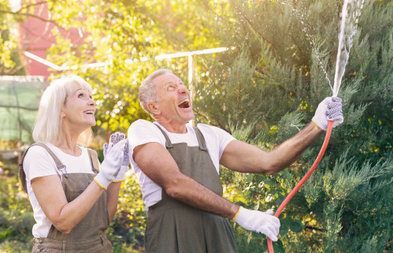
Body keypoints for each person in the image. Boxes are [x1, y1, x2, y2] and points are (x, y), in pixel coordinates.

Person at [128, 69, 344, 252]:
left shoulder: (210, 136)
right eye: (171, 88)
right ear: (154, 107)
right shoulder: (143, 130)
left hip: (217, 240)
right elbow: (174, 184)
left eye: (182, 84)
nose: (183, 90)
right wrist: (240, 214)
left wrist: (317, 124)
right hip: (173, 240)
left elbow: (269, 162)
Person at [19, 76, 129, 252]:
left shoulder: (90, 156)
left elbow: (104, 219)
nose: (92, 102)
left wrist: (116, 176)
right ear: (60, 109)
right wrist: (102, 178)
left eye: (91, 97)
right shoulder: (40, 154)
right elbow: (64, 223)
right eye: (81, 96)